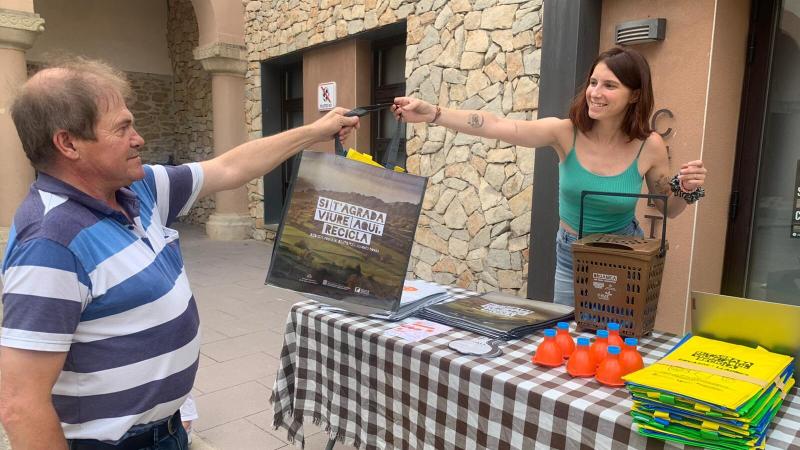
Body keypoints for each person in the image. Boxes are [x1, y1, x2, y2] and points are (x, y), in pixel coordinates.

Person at [0, 57, 358, 449]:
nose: (138, 138)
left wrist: (315, 132)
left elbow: (229, 167)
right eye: (122, 128)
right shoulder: (50, 244)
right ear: (68, 143)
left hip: (166, 430)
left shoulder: (140, 189)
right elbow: (21, 404)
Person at [392, 47, 707, 306]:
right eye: (593, 83)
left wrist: (686, 189)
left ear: (635, 95)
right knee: (569, 339)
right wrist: (433, 113)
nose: (595, 93)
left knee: (615, 342)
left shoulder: (649, 145)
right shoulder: (565, 132)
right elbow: (497, 124)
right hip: (572, 253)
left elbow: (668, 207)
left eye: (609, 86)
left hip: (623, 257)